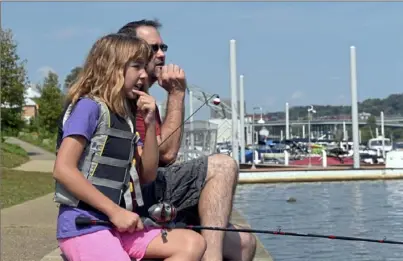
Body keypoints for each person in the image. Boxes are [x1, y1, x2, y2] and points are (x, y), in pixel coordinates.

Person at [53, 33, 206, 261]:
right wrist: (115, 211)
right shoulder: (88, 108)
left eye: (145, 66)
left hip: (117, 228)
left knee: (192, 243)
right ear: (111, 68)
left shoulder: (126, 117)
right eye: (136, 66)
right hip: (84, 226)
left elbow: (147, 174)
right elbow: (63, 169)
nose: (144, 74)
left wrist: (151, 121)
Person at [117, 20, 257, 261]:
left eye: (164, 47)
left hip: (154, 189)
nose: (161, 54)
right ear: (130, 52)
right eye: (153, 48)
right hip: (139, 193)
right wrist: (177, 94)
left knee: (244, 241)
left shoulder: (145, 97)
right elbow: (167, 154)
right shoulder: (130, 98)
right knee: (222, 165)